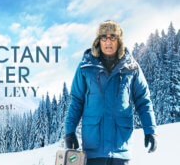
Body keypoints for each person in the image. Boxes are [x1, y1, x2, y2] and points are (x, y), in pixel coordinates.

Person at [64, 20, 157, 165]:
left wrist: (150, 129)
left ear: (119, 41)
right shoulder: (85, 66)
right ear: (98, 41)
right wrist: (69, 131)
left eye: (112, 37)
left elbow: (143, 100)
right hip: (94, 148)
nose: (108, 41)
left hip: (120, 147)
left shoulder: (131, 67)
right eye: (104, 37)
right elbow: (76, 101)